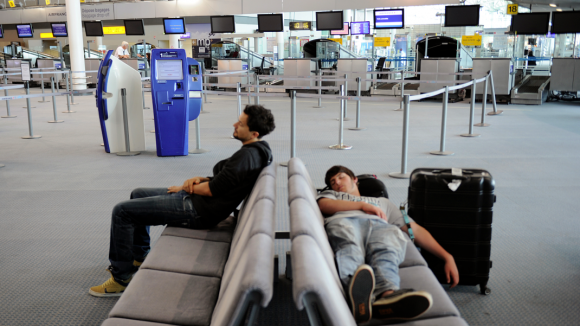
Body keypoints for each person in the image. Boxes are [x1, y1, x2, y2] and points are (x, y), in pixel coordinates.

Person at [89, 105, 276, 297]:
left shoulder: (248, 156)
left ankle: (120, 279)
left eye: (241, 124)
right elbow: (226, 180)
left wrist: (188, 187)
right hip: (198, 201)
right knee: (138, 194)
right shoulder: (256, 149)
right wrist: (199, 179)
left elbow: (214, 190)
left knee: (122, 211)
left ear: (253, 133)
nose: (234, 125)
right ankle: (139, 256)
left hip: (198, 210)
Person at [317, 166, 459, 323]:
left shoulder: (382, 202)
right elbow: (325, 205)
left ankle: (387, 297)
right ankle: (356, 293)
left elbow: (413, 229)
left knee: (387, 248)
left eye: (341, 177)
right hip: (345, 222)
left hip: (380, 226)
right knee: (350, 248)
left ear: (355, 179)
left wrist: (447, 256)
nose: (337, 182)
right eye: (332, 181)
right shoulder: (332, 195)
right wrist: (363, 206)